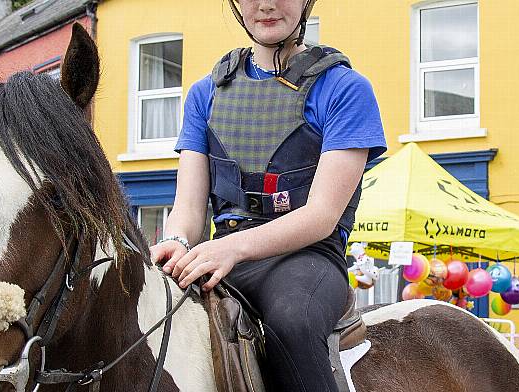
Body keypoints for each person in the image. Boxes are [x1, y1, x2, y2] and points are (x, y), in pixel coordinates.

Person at [150, 0, 386, 391]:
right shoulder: (203, 94)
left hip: (307, 258)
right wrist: (175, 241)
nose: (266, 4)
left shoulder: (345, 89)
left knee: (293, 320)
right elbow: (188, 210)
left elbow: (321, 215)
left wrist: (231, 249)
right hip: (221, 253)